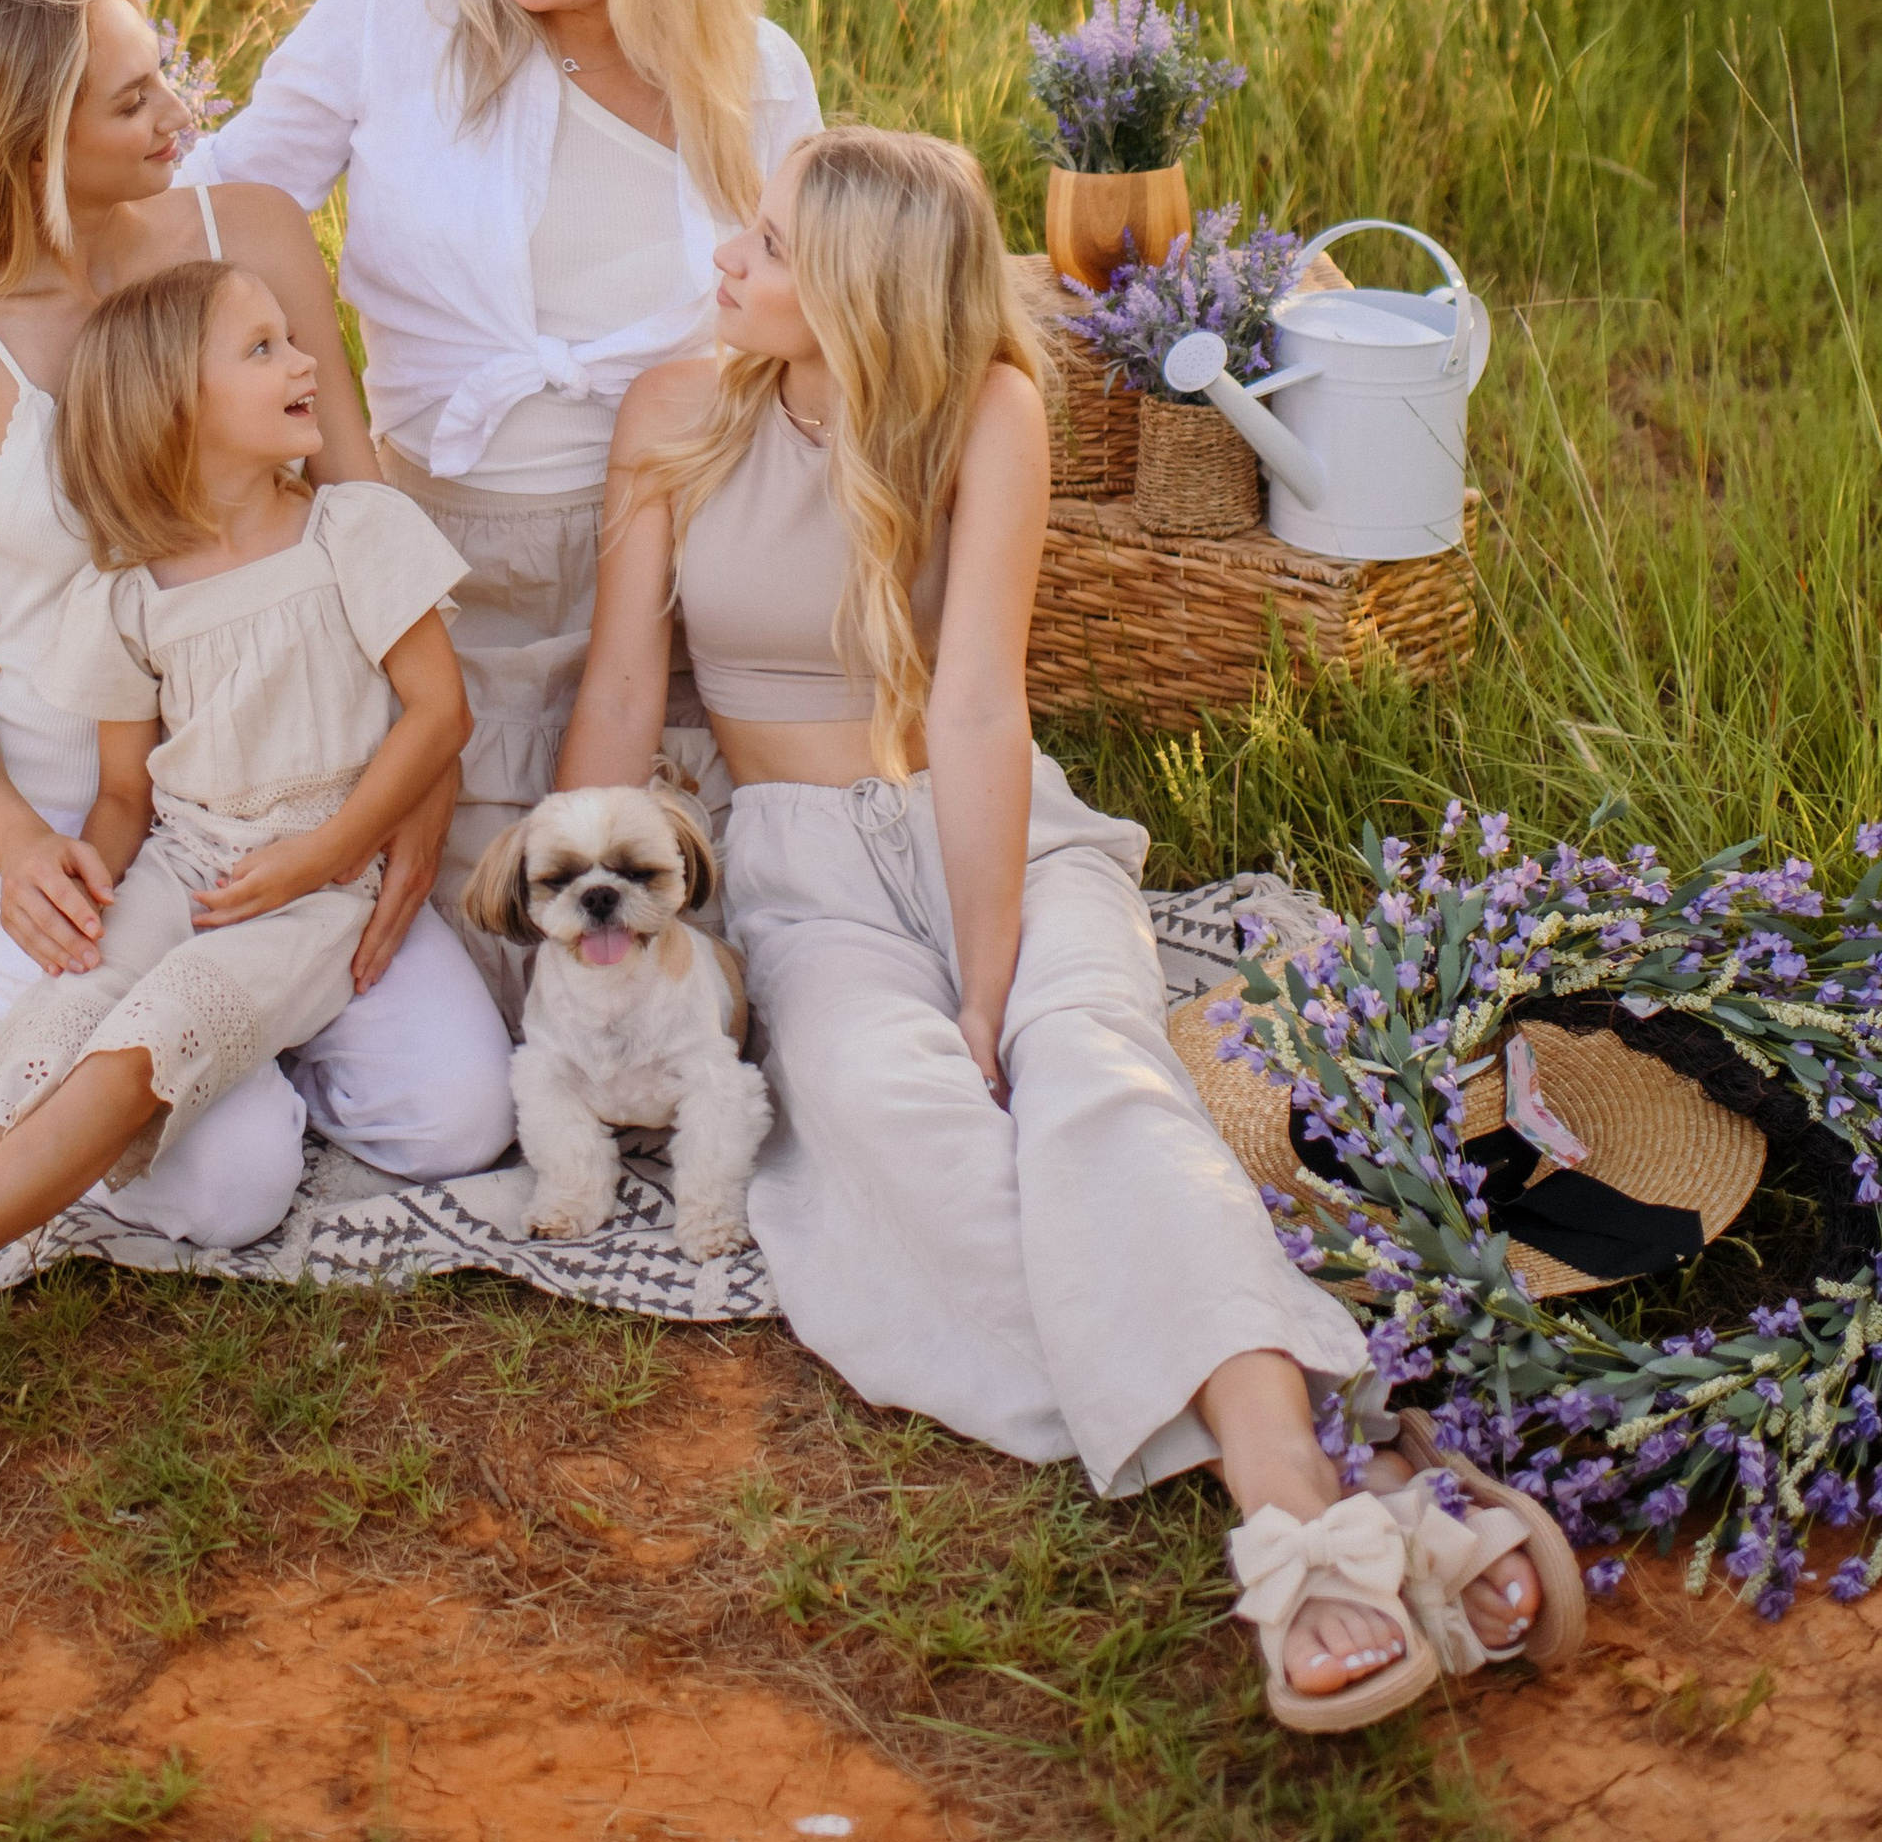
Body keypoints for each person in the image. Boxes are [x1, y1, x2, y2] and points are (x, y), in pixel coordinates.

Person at [556, 126, 1559, 1735]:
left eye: (767, 245)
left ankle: (1291, 1511)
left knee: (1091, 1076)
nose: (726, 261)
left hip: (1004, 829)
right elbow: (618, 686)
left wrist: (993, 973)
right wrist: (571, 948)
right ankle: (1340, 1450)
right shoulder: (674, 413)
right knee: (901, 1135)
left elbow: (974, 707)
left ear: (860, 295)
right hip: (801, 873)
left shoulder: (988, 417)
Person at [0, 260, 479, 1456]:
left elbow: (438, 716)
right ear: (173, 405)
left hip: (312, 896)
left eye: (290, 342)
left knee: (136, 1055)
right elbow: (122, 791)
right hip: (181, 864)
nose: (308, 362)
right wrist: (87, 889)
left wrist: (327, 854)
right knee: (58, 1034)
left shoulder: (356, 530)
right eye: (262, 350)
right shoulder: (133, 587)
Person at [0, 0, 512, 1245]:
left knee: (454, 1119)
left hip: (296, 783)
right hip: (84, 816)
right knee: (229, 1186)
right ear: (32, 139)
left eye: (165, 77)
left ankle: (236, 1029)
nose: (179, 118)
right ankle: (198, 1062)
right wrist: (12, 841)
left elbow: (359, 513)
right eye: (132, 101)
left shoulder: (249, 233)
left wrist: (407, 807)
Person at [176, 0, 820, 991]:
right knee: (483, 966)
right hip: (442, 566)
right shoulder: (395, 7)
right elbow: (213, 207)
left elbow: (826, 294)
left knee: (717, 970)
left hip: (683, 568)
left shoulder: (750, 73)